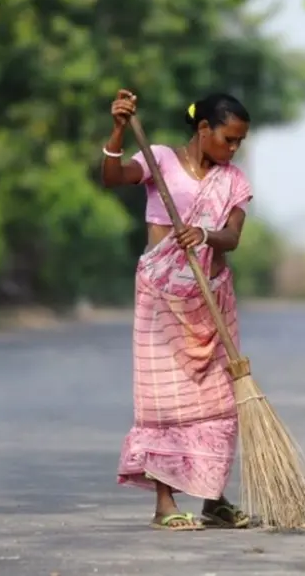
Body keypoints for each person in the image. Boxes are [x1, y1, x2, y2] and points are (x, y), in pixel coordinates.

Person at [101, 89, 253, 531]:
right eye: (228, 138)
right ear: (204, 129)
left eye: (240, 142)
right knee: (166, 401)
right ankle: (165, 504)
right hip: (162, 301)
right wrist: (118, 130)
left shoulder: (234, 182)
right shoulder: (162, 160)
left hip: (211, 301)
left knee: (219, 401)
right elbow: (113, 176)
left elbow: (232, 237)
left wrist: (204, 235)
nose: (234, 148)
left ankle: (213, 499)